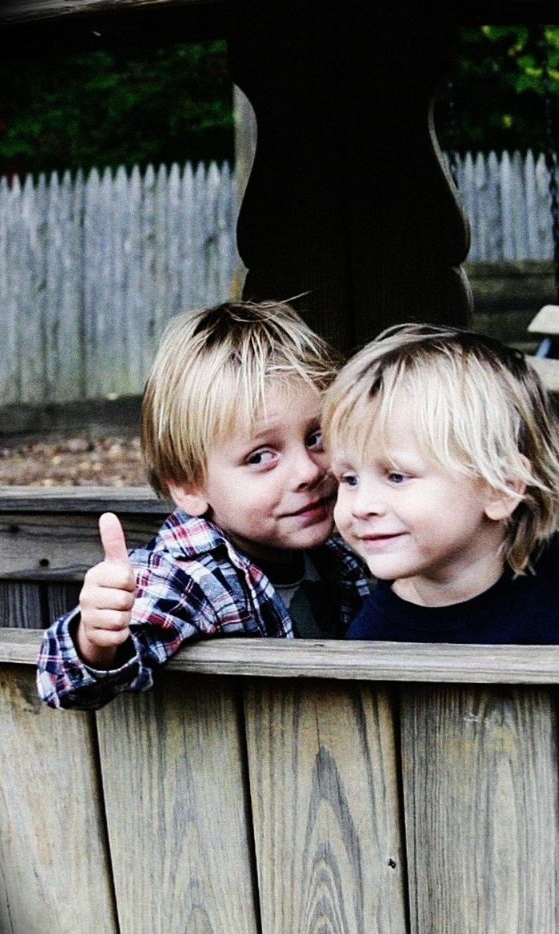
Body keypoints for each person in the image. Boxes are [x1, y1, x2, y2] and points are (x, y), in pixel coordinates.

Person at [37, 300, 371, 709]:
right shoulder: (190, 575)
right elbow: (61, 682)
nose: (307, 470)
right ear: (190, 488)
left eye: (316, 436)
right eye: (261, 456)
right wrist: (95, 640)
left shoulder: (341, 546)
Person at [321, 323, 559, 644]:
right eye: (349, 479)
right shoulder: (372, 639)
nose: (362, 505)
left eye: (396, 476)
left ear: (500, 488)